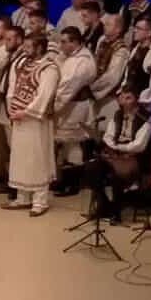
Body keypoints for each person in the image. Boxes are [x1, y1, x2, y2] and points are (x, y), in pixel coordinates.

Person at [2, 33, 61, 216]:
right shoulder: (21, 63)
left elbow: (44, 95)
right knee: (20, 157)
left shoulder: (49, 68)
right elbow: (12, 87)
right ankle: (23, 197)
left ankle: (40, 200)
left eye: (29, 47)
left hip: (36, 120)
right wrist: (11, 108)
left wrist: (26, 112)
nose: (25, 50)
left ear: (40, 48)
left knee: (37, 158)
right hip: (18, 117)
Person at [85, 87, 151, 224]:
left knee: (116, 175)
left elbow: (139, 145)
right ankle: (105, 204)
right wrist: (113, 147)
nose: (124, 101)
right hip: (115, 154)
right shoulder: (118, 115)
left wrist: (118, 147)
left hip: (134, 157)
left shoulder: (147, 118)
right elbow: (108, 136)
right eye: (122, 97)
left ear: (136, 100)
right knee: (91, 168)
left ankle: (116, 212)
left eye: (128, 98)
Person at [53, 26, 97, 196]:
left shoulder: (82, 61)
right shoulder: (70, 57)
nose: (61, 45)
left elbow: (67, 88)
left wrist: (53, 107)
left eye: (64, 42)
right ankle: (63, 180)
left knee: (73, 143)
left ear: (75, 42)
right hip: (69, 105)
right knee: (65, 144)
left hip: (75, 105)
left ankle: (73, 183)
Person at [0, 25, 26, 193]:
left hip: (15, 106)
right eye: (5, 39)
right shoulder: (10, 55)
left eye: (10, 39)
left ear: (19, 40)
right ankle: (13, 181)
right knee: (10, 145)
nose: (6, 43)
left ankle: (18, 185)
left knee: (17, 147)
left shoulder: (23, 58)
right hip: (5, 103)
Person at [121, 15, 151, 123]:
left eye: (139, 28)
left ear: (149, 33)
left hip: (144, 112)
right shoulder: (135, 50)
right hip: (128, 106)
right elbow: (128, 76)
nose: (134, 31)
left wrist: (138, 103)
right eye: (135, 27)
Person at [90, 13, 130, 130]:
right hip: (95, 93)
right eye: (105, 24)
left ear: (118, 29)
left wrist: (92, 88)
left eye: (108, 24)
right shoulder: (102, 40)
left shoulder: (121, 50)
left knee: (104, 129)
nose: (104, 26)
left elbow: (112, 77)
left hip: (108, 98)